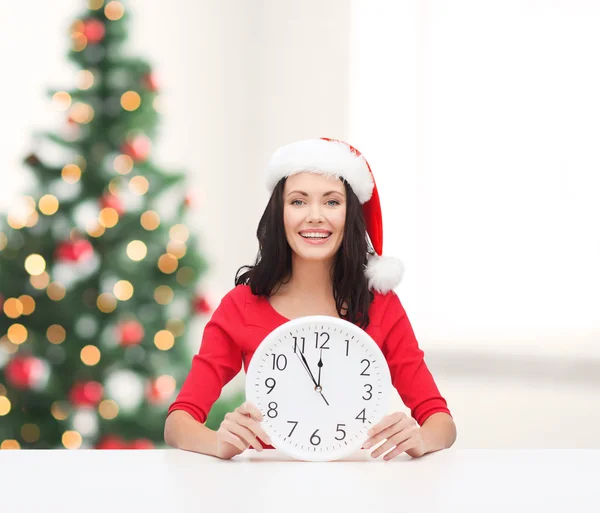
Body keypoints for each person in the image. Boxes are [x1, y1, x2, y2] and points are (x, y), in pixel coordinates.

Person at [164, 138, 457, 461]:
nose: (315, 216)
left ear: (351, 215)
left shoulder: (381, 304)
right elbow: (179, 422)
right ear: (280, 213)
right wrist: (218, 443)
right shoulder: (241, 305)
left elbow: (440, 421)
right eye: (298, 202)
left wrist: (420, 438)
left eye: (331, 202)